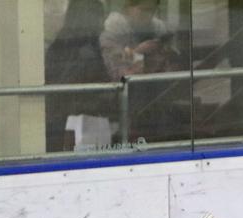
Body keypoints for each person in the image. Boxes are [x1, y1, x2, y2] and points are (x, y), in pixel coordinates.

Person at [45, 0, 111, 152]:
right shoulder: (84, 51)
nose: (103, 26)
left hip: (63, 121)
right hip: (74, 122)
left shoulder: (62, 43)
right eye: (100, 18)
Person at [99, 0, 176, 81]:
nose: (149, 15)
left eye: (152, 11)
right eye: (144, 10)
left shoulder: (159, 33)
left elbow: (173, 74)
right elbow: (119, 77)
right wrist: (137, 53)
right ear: (128, 8)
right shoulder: (111, 36)